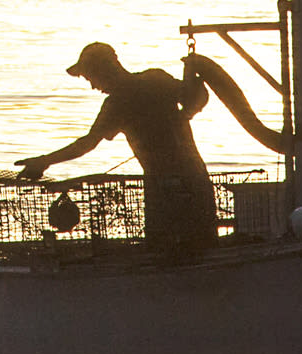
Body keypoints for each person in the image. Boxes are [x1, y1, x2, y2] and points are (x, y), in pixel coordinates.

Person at [17, 42, 251, 251]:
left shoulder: (117, 103)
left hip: (163, 190)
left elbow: (87, 144)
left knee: (165, 254)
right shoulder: (156, 79)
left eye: (91, 78)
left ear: (104, 70)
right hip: (196, 178)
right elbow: (199, 96)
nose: (93, 86)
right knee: (203, 247)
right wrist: (186, 113)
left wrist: (44, 161)